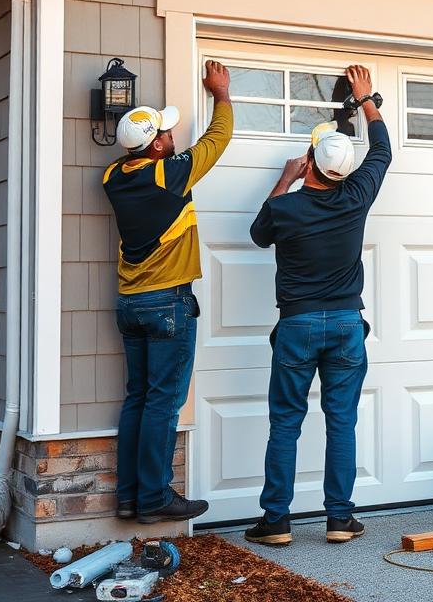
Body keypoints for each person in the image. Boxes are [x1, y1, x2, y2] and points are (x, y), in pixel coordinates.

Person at [244, 65, 391, 546]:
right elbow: (383, 151)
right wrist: (365, 98)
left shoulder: (285, 207)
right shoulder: (356, 196)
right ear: (345, 171)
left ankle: (277, 522)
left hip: (298, 325)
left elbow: (257, 234)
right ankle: (339, 519)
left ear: (309, 160)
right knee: (341, 421)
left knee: (286, 421)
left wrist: (284, 182)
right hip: (347, 324)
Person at [104, 60, 234, 523]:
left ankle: (128, 496)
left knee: (138, 397)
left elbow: (140, 159)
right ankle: (156, 497)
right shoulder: (168, 174)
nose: (172, 136)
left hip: (130, 303)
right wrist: (220, 93)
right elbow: (217, 141)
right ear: (156, 145)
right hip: (168, 306)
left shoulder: (114, 177)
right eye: (165, 132)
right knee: (163, 401)